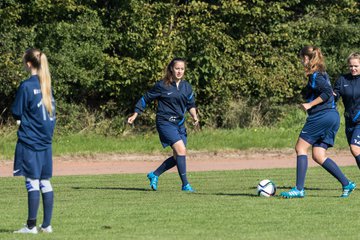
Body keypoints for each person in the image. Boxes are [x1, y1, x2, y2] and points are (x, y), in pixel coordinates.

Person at [280, 46, 356, 198]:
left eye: (302, 58)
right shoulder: (321, 73)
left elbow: (327, 93)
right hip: (332, 117)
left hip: (322, 116)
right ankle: (346, 183)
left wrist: (309, 104)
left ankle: (299, 189)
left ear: (307, 58)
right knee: (318, 154)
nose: (301, 61)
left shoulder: (316, 75)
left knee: (300, 148)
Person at [128, 58, 199, 192]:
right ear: (171, 69)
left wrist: (194, 116)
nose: (179, 71)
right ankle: (185, 185)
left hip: (179, 124)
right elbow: (145, 99)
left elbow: (191, 104)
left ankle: (154, 174)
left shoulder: (187, 87)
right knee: (181, 150)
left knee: (178, 156)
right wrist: (135, 114)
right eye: (177, 68)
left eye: (182, 69)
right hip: (165, 123)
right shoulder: (162, 85)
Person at [12, 49, 56, 233]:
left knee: (32, 182)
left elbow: (16, 111)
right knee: (45, 181)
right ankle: (46, 226)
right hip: (45, 142)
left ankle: (31, 226)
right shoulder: (47, 85)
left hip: (30, 142)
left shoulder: (27, 86)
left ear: (28, 64)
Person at [333, 53, 360, 168]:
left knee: (355, 148)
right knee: (355, 151)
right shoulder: (342, 80)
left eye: (356, 66)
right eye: (351, 66)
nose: (353, 68)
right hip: (349, 121)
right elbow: (334, 96)